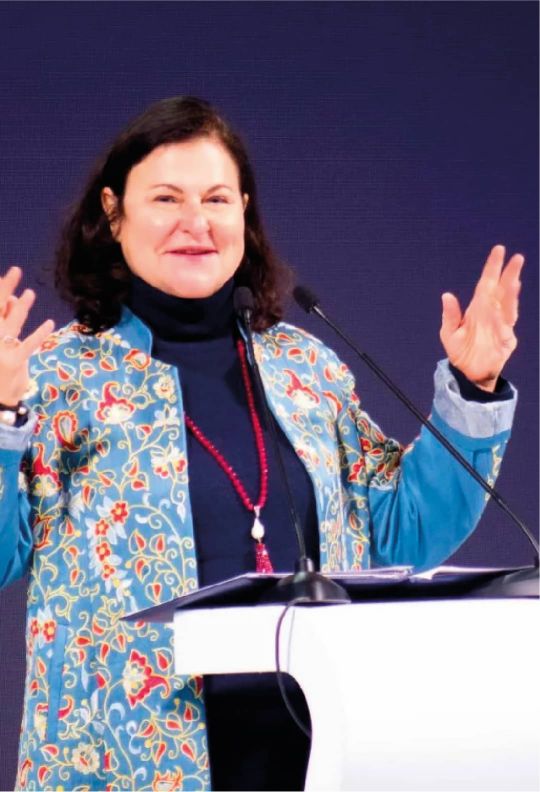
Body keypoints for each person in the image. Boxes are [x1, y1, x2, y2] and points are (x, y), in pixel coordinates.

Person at [0, 96, 521, 791]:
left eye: (217, 198)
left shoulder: (305, 368)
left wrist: (473, 389)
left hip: (319, 752)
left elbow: (401, 531)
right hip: (125, 762)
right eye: (166, 198)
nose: (196, 222)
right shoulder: (54, 375)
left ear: (244, 212)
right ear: (113, 214)